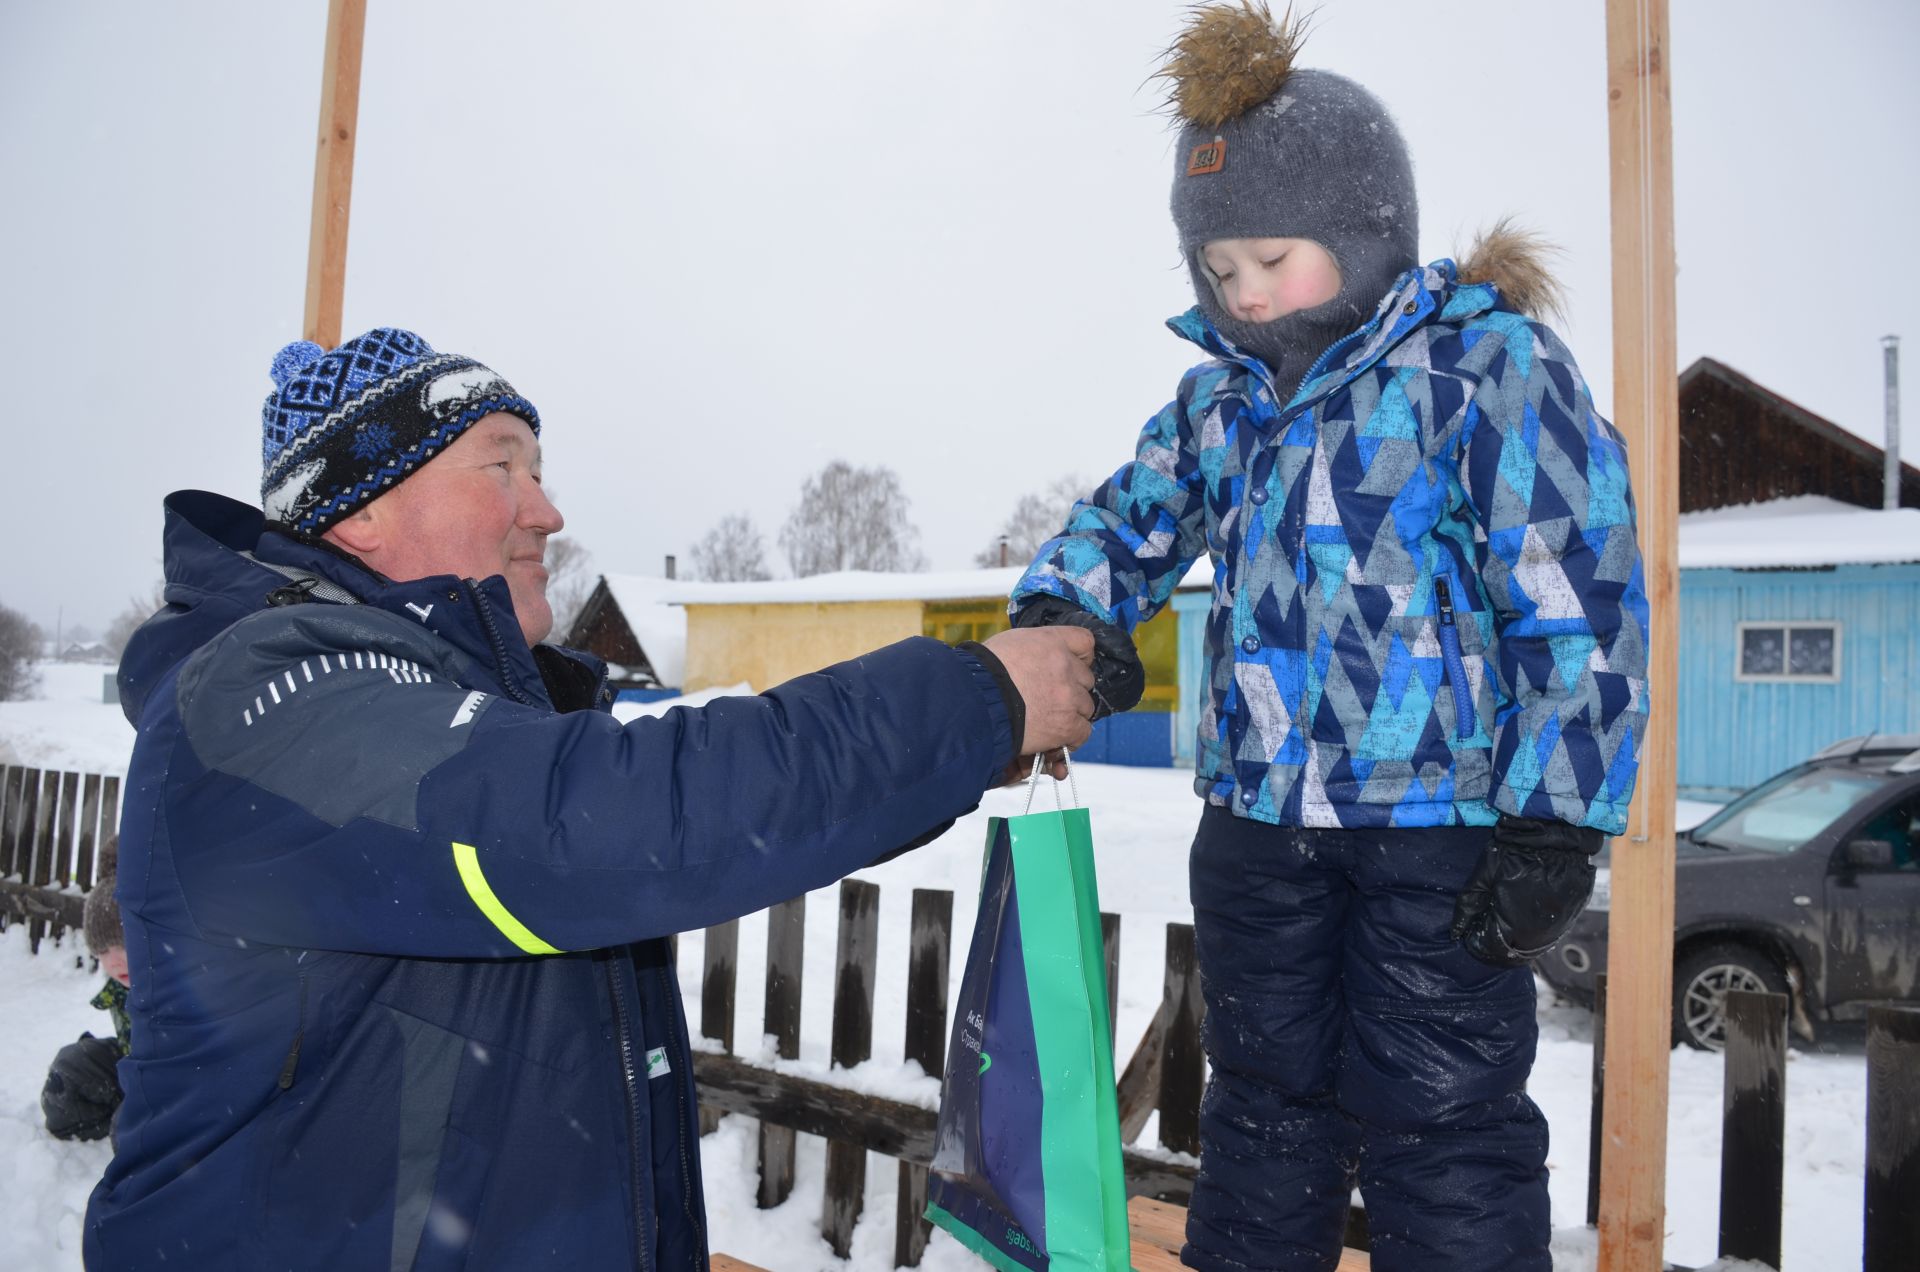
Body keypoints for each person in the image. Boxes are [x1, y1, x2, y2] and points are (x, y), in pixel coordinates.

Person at [87, 326, 1096, 1270]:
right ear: (362, 509)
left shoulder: (457, 713)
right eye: (502, 464)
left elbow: (664, 828)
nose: (547, 510)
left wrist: (970, 750)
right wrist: (976, 702)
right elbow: (603, 820)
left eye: (540, 468)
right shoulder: (272, 694)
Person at [1010, 6, 1650, 1269]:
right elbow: (1131, 518)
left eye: (1271, 259)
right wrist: (1069, 613)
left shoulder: (1480, 370)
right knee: (1259, 1100)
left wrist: (1557, 811)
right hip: (1258, 824)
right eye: (1219, 271)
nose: (1243, 294)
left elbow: (1574, 588)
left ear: (1363, 236)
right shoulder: (1221, 402)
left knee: (1442, 1119)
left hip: (1442, 838)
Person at [41, 864, 132, 1143]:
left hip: (182, 1082)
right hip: (134, 1066)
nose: (114, 960)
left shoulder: (178, 988)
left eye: (124, 945)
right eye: (103, 951)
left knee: (131, 1129)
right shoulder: (121, 987)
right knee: (69, 1071)